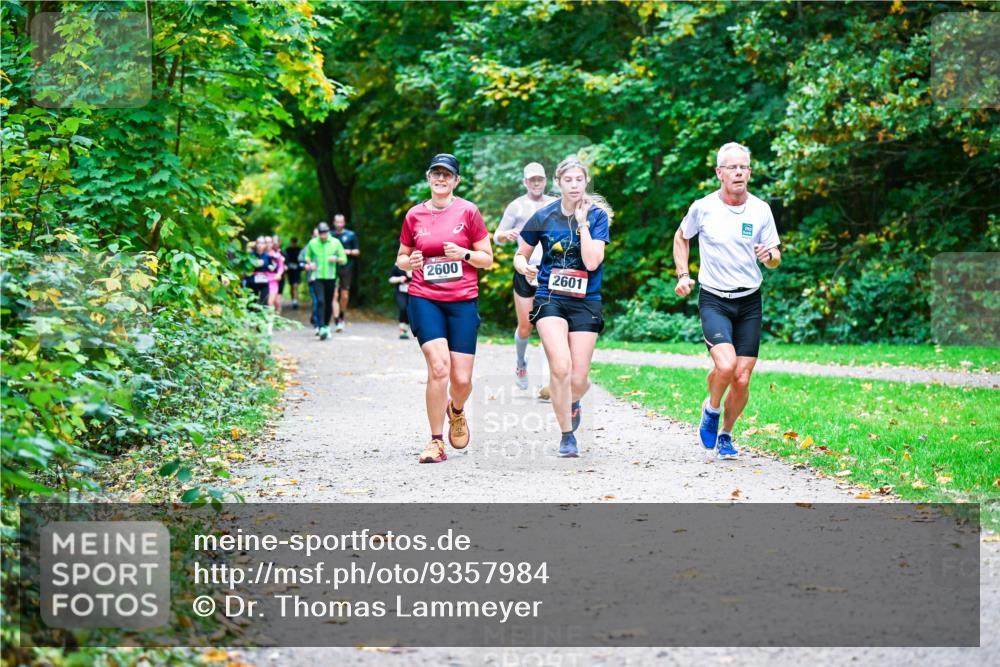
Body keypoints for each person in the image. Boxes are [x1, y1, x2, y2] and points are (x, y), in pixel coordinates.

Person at [673, 141, 782, 460]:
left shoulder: (761, 209)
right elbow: (682, 236)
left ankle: (726, 435)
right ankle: (711, 409)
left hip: (749, 301)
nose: (738, 172)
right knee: (726, 364)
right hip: (715, 299)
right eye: (732, 167)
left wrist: (769, 256)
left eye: (744, 167)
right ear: (719, 173)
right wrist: (683, 275)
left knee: (742, 377)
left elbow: (775, 256)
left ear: (749, 172)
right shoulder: (703, 207)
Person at [396, 153, 492, 464]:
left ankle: (457, 410)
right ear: (428, 178)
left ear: (456, 181)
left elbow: (486, 259)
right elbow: (401, 256)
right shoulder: (414, 215)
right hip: (425, 297)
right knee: (439, 368)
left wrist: (464, 253)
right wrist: (408, 263)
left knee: (462, 380)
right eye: (436, 174)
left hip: (462, 300)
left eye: (447, 175)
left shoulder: (469, 212)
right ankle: (436, 442)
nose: (441, 179)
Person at [515, 156, 611, 458]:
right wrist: (524, 268)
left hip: (586, 301)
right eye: (567, 180)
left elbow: (593, 260)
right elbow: (520, 254)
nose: (573, 185)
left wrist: (582, 224)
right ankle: (567, 435)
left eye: (579, 180)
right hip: (550, 297)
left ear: (585, 183)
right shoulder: (543, 216)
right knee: (560, 366)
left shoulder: (596, 217)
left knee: (579, 379)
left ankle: (572, 402)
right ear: (558, 183)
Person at [494, 162, 557, 390]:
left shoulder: (554, 204)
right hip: (525, 270)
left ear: (545, 181)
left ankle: (548, 381)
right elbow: (497, 236)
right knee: (526, 327)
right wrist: (506, 235)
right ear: (525, 182)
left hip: (550, 270)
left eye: (539, 179)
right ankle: (521, 363)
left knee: (548, 326)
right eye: (532, 180)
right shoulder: (516, 206)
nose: (536, 183)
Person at [304, 222, 347, 340]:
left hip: (330, 277)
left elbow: (344, 259)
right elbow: (307, 256)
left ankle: (326, 325)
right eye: (321, 233)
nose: (323, 236)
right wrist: (309, 263)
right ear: (318, 233)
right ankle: (321, 326)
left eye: (325, 233)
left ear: (328, 232)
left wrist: (336, 259)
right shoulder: (313, 243)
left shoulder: (335, 242)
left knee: (328, 302)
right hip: (317, 277)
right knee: (320, 301)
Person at [332, 214, 360, 333]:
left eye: (341, 222)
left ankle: (342, 315)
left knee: (344, 296)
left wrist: (346, 252)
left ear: (344, 222)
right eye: (337, 222)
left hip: (347, 268)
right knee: (334, 295)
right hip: (332, 268)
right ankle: (337, 320)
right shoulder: (330, 236)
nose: (339, 224)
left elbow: (357, 251)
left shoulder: (350, 235)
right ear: (334, 223)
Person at [301, 228, 320, 333]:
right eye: (316, 235)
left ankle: (315, 317)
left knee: (323, 301)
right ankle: (317, 323)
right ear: (312, 236)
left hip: (326, 278)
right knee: (317, 301)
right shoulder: (307, 248)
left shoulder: (328, 246)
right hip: (312, 279)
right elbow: (300, 262)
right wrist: (306, 266)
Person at [250, 236, 276, 306]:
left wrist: (271, 267)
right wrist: (256, 263)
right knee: (251, 304)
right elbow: (248, 267)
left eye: (262, 243)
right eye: (258, 243)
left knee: (264, 303)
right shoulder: (250, 255)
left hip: (264, 283)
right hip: (252, 282)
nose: (260, 245)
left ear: (265, 245)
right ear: (256, 244)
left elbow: (272, 267)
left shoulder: (267, 256)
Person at [389, 265, 412, 339]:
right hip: (401, 292)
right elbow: (391, 279)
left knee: (409, 310)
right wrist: (399, 279)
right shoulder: (397, 266)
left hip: (413, 293)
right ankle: (402, 330)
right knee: (403, 308)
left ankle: (405, 331)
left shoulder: (416, 266)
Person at [266, 235, 285, 314]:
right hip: (262, 281)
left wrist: (279, 274)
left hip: (274, 281)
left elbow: (281, 266)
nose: (269, 244)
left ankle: (272, 322)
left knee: (272, 302)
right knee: (264, 302)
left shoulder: (277, 255)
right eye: (266, 242)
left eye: (270, 242)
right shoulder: (260, 254)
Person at [284, 236, 303, 309]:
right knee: (291, 286)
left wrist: (299, 267)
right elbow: (286, 260)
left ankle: (295, 301)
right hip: (290, 271)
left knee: (295, 286)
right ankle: (293, 300)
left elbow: (301, 260)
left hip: (297, 271)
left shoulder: (299, 250)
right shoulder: (288, 250)